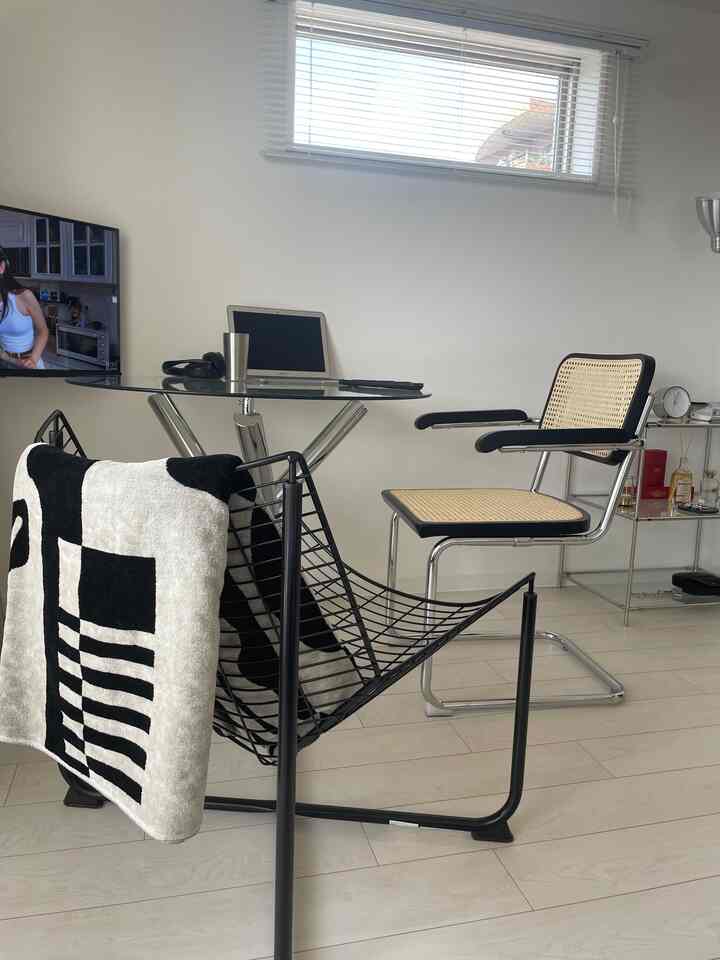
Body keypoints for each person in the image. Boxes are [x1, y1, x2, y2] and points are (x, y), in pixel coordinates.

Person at [0, 248, 48, 369]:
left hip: (29, 363)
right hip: (4, 363)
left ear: (1, 267)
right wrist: (6, 358)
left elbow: (43, 331)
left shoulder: (24, 296)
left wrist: (33, 359)